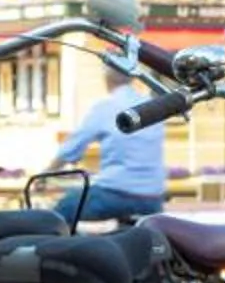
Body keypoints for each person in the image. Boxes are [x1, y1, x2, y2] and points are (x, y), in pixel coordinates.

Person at [51, 78, 172, 226]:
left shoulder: (105, 107)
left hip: (116, 194)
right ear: (132, 78)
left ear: (107, 79)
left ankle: (71, 248)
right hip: (153, 198)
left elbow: (72, 148)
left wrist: (47, 172)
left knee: (61, 212)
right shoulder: (151, 107)